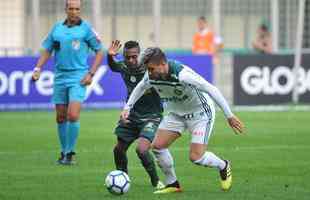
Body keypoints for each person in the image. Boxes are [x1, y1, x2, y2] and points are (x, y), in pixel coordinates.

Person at [120, 47, 244, 194]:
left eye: (152, 69)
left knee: (196, 157)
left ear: (162, 63)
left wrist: (229, 115)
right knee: (158, 146)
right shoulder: (151, 76)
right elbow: (140, 88)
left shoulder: (183, 75)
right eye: (148, 69)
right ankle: (173, 184)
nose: (149, 73)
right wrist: (127, 107)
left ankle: (223, 165)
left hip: (200, 114)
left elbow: (211, 89)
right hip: (177, 114)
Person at [31, 0, 103, 165]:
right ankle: (64, 152)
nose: (74, 11)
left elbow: (100, 51)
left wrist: (91, 73)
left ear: (80, 10)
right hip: (60, 77)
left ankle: (70, 152)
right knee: (61, 117)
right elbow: (48, 50)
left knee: (73, 115)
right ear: (66, 9)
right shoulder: (57, 29)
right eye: (71, 8)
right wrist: (37, 69)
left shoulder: (86, 29)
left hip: (78, 77)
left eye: (77, 9)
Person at [107, 40, 165, 189]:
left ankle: (156, 181)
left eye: (134, 56)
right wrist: (110, 56)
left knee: (142, 150)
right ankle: (122, 178)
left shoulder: (149, 68)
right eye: (127, 57)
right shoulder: (124, 67)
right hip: (131, 115)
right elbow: (114, 66)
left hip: (151, 115)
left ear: (140, 55)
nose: (131, 60)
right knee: (118, 149)